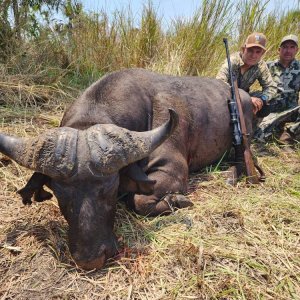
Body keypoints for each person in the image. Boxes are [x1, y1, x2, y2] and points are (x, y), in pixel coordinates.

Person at [217, 32, 277, 115]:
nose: (253, 55)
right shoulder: (232, 61)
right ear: (244, 49)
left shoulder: (261, 65)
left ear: (262, 53)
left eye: (258, 52)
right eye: (250, 50)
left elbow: (271, 87)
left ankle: (253, 124)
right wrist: (246, 99)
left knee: (269, 103)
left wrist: (262, 100)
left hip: (245, 97)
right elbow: (219, 84)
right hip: (228, 96)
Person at [254, 34, 300, 144]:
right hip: (271, 111)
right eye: (285, 47)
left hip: (292, 111)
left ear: (297, 50)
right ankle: (277, 128)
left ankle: (288, 136)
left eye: (291, 47)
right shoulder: (267, 66)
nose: (288, 50)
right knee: (257, 137)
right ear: (279, 50)